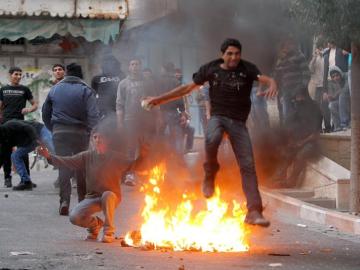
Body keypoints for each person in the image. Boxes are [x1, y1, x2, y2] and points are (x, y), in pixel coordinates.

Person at [143, 38, 277, 227]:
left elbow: (264, 78)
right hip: (219, 117)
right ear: (222, 54)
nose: (233, 57)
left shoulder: (247, 69)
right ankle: (210, 173)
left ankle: (254, 211)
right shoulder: (211, 69)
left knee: (248, 166)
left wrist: (272, 83)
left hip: (238, 123)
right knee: (212, 137)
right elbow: (187, 88)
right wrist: (159, 99)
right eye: (229, 54)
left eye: (237, 54)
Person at [37, 118, 147, 243]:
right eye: (95, 137)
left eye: (101, 137)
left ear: (108, 140)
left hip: (111, 197)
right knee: (74, 217)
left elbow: (136, 166)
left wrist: (143, 153)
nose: (98, 140)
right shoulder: (87, 156)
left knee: (107, 195)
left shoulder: (116, 157)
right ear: (92, 140)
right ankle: (95, 225)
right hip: (92, 197)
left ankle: (108, 232)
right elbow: (67, 161)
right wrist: (48, 156)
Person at [42, 63, 100, 216]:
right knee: (81, 167)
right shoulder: (86, 90)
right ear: (81, 74)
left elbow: (45, 113)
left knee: (64, 166)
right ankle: (81, 203)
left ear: (66, 73)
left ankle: (64, 202)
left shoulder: (55, 89)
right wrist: (93, 133)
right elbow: (93, 115)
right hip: (80, 134)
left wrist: (53, 129)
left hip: (59, 133)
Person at [116, 58, 158, 186]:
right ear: (129, 67)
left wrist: (158, 117)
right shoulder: (123, 84)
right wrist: (120, 122)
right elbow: (119, 104)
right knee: (130, 147)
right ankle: (129, 174)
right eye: (132, 64)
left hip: (146, 119)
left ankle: (143, 172)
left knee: (145, 147)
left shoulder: (148, 83)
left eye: (137, 64)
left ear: (140, 66)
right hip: (129, 119)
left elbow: (155, 100)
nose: (135, 66)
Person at [271, 89, 322, 187]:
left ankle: (291, 182)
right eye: (296, 98)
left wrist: (302, 142)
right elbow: (289, 127)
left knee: (300, 156)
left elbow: (316, 134)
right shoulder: (297, 111)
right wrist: (291, 142)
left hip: (311, 143)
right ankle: (278, 180)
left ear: (305, 97)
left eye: (300, 97)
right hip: (298, 141)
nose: (298, 100)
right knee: (285, 153)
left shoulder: (315, 110)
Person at [0, 67, 38, 188]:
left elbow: (35, 104)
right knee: (5, 151)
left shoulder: (24, 89)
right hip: (6, 125)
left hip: (21, 125)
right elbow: (0, 107)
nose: (18, 76)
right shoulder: (3, 89)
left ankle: (26, 179)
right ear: (10, 75)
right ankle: (7, 178)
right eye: (16, 74)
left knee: (23, 152)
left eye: (20, 74)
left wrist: (29, 109)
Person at [0, 120, 52, 190]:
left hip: (39, 130)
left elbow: (28, 127)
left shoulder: (10, 124)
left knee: (54, 150)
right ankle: (26, 182)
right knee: (15, 156)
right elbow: (2, 157)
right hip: (29, 141)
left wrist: (36, 140)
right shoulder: (4, 141)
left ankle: (66, 171)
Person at [273, 38, 310, 125]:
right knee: (287, 115)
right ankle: (290, 134)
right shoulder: (282, 59)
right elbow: (277, 74)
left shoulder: (299, 56)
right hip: (286, 90)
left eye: (289, 44)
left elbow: (306, 73)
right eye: (285, 45)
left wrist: (301, 88)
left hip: (298, 89)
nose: (287, 46)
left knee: (300, 114)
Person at [325, 66, 351, 131]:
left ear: (340, 73)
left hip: (353, 101)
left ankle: (344, 123)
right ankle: (338, 126)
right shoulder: (336, 83)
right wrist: (332, 98)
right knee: (331, 105)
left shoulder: (347, 76)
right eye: (333, 77)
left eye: (337, 75)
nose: (335, 78)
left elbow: (346, 90)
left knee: (342, 96)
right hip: (346, 103)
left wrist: (334, 95)